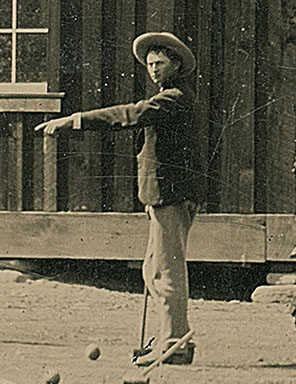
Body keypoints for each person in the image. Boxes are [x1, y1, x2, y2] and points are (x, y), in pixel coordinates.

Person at [35, 32, 202, 366]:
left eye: (161, 63)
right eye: (151, 64)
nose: (154, 69)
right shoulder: (168, 96)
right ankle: (169, 337)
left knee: (166, 273)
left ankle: (175, 345)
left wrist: (75, 120)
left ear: (177, 65)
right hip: (161, 194)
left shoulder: (175, 97)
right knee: (153, 270)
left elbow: (131, 114)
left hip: (171, 194)